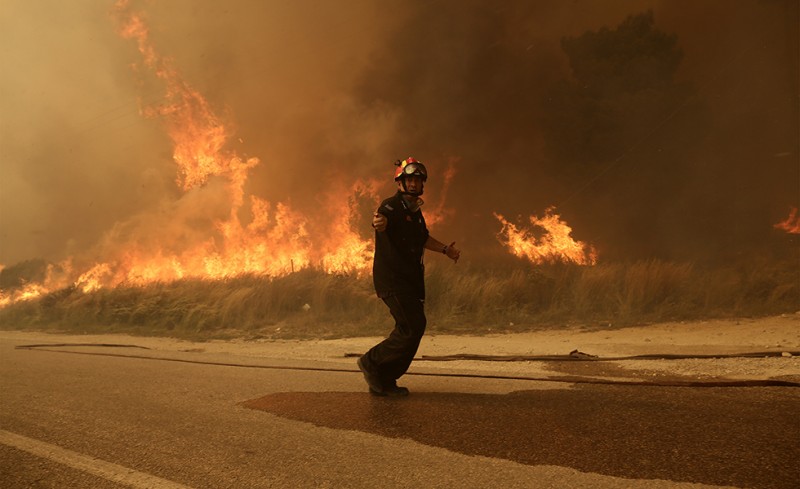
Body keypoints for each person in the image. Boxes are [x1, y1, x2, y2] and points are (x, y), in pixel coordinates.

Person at [357, 157, 461, 397]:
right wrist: (378, 223)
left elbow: (423, 238)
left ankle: (384, 378)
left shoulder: (416, 213)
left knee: (414, 327)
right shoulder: (391, 207)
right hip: (393, 279)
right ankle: (371, 362)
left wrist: (446, 250)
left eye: (417, 180)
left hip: (410, 280)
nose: (413, 184)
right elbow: (379, 220)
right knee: (411, 327)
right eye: (409, 180)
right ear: (400, 183)